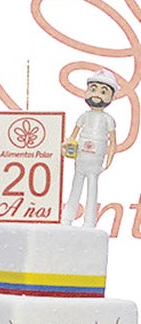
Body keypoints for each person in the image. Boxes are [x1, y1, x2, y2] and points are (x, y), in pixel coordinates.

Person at [60, 68, 118, 227]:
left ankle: (89, 221)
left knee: (92, 191)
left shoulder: (108, 120)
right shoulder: (84, 116)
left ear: (111, 97)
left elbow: (113, 142)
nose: (97, 95)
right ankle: (67, 217)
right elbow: (73, 136)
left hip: (96, 160)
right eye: (93, 89)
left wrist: (108, 161)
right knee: (75, 188)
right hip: (81, 158)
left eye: (103, 91)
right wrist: (67, 146)